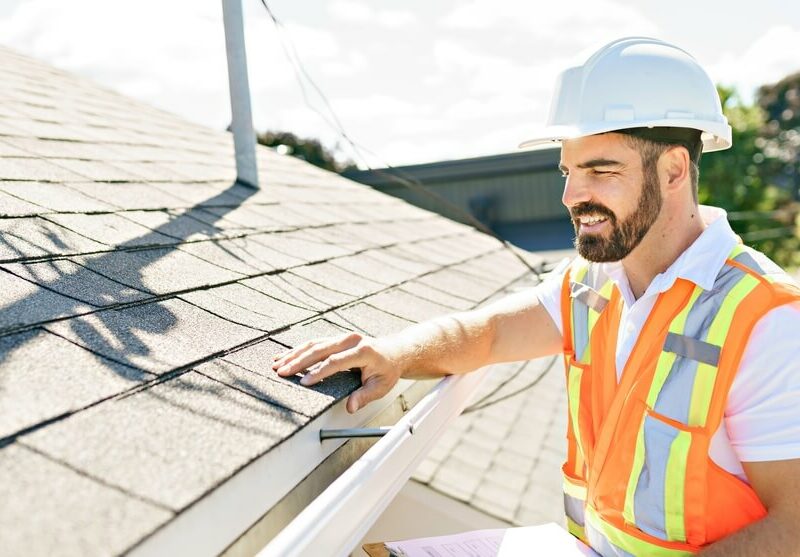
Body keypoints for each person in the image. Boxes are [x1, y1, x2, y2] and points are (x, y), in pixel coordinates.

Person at [272, 37, 800, 556]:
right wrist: (394, 353)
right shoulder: (594, 284)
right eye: (568, 171)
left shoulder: (766, 319)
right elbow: (490, 333)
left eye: (600, 170)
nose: (572, 196)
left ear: (674, 170)